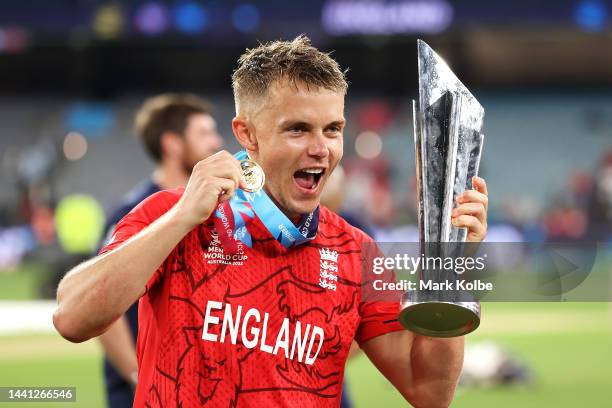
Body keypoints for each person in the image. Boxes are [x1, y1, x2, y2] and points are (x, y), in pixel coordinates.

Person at [54, 36, 489, 407]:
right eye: (298, 129)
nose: (322, 149)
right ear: (247, 134)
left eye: (333, 129)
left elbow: (430, 390)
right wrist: (183, 217)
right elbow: (72, 318)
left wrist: (452, 260)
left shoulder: (356, 253)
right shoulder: (176, 215)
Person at [96, 94, 223, 407]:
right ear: (172, 144)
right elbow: (101, 305)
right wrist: (138, 375)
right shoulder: (132, 213)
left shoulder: (216, 211)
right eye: (204, 133)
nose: (216, 142)